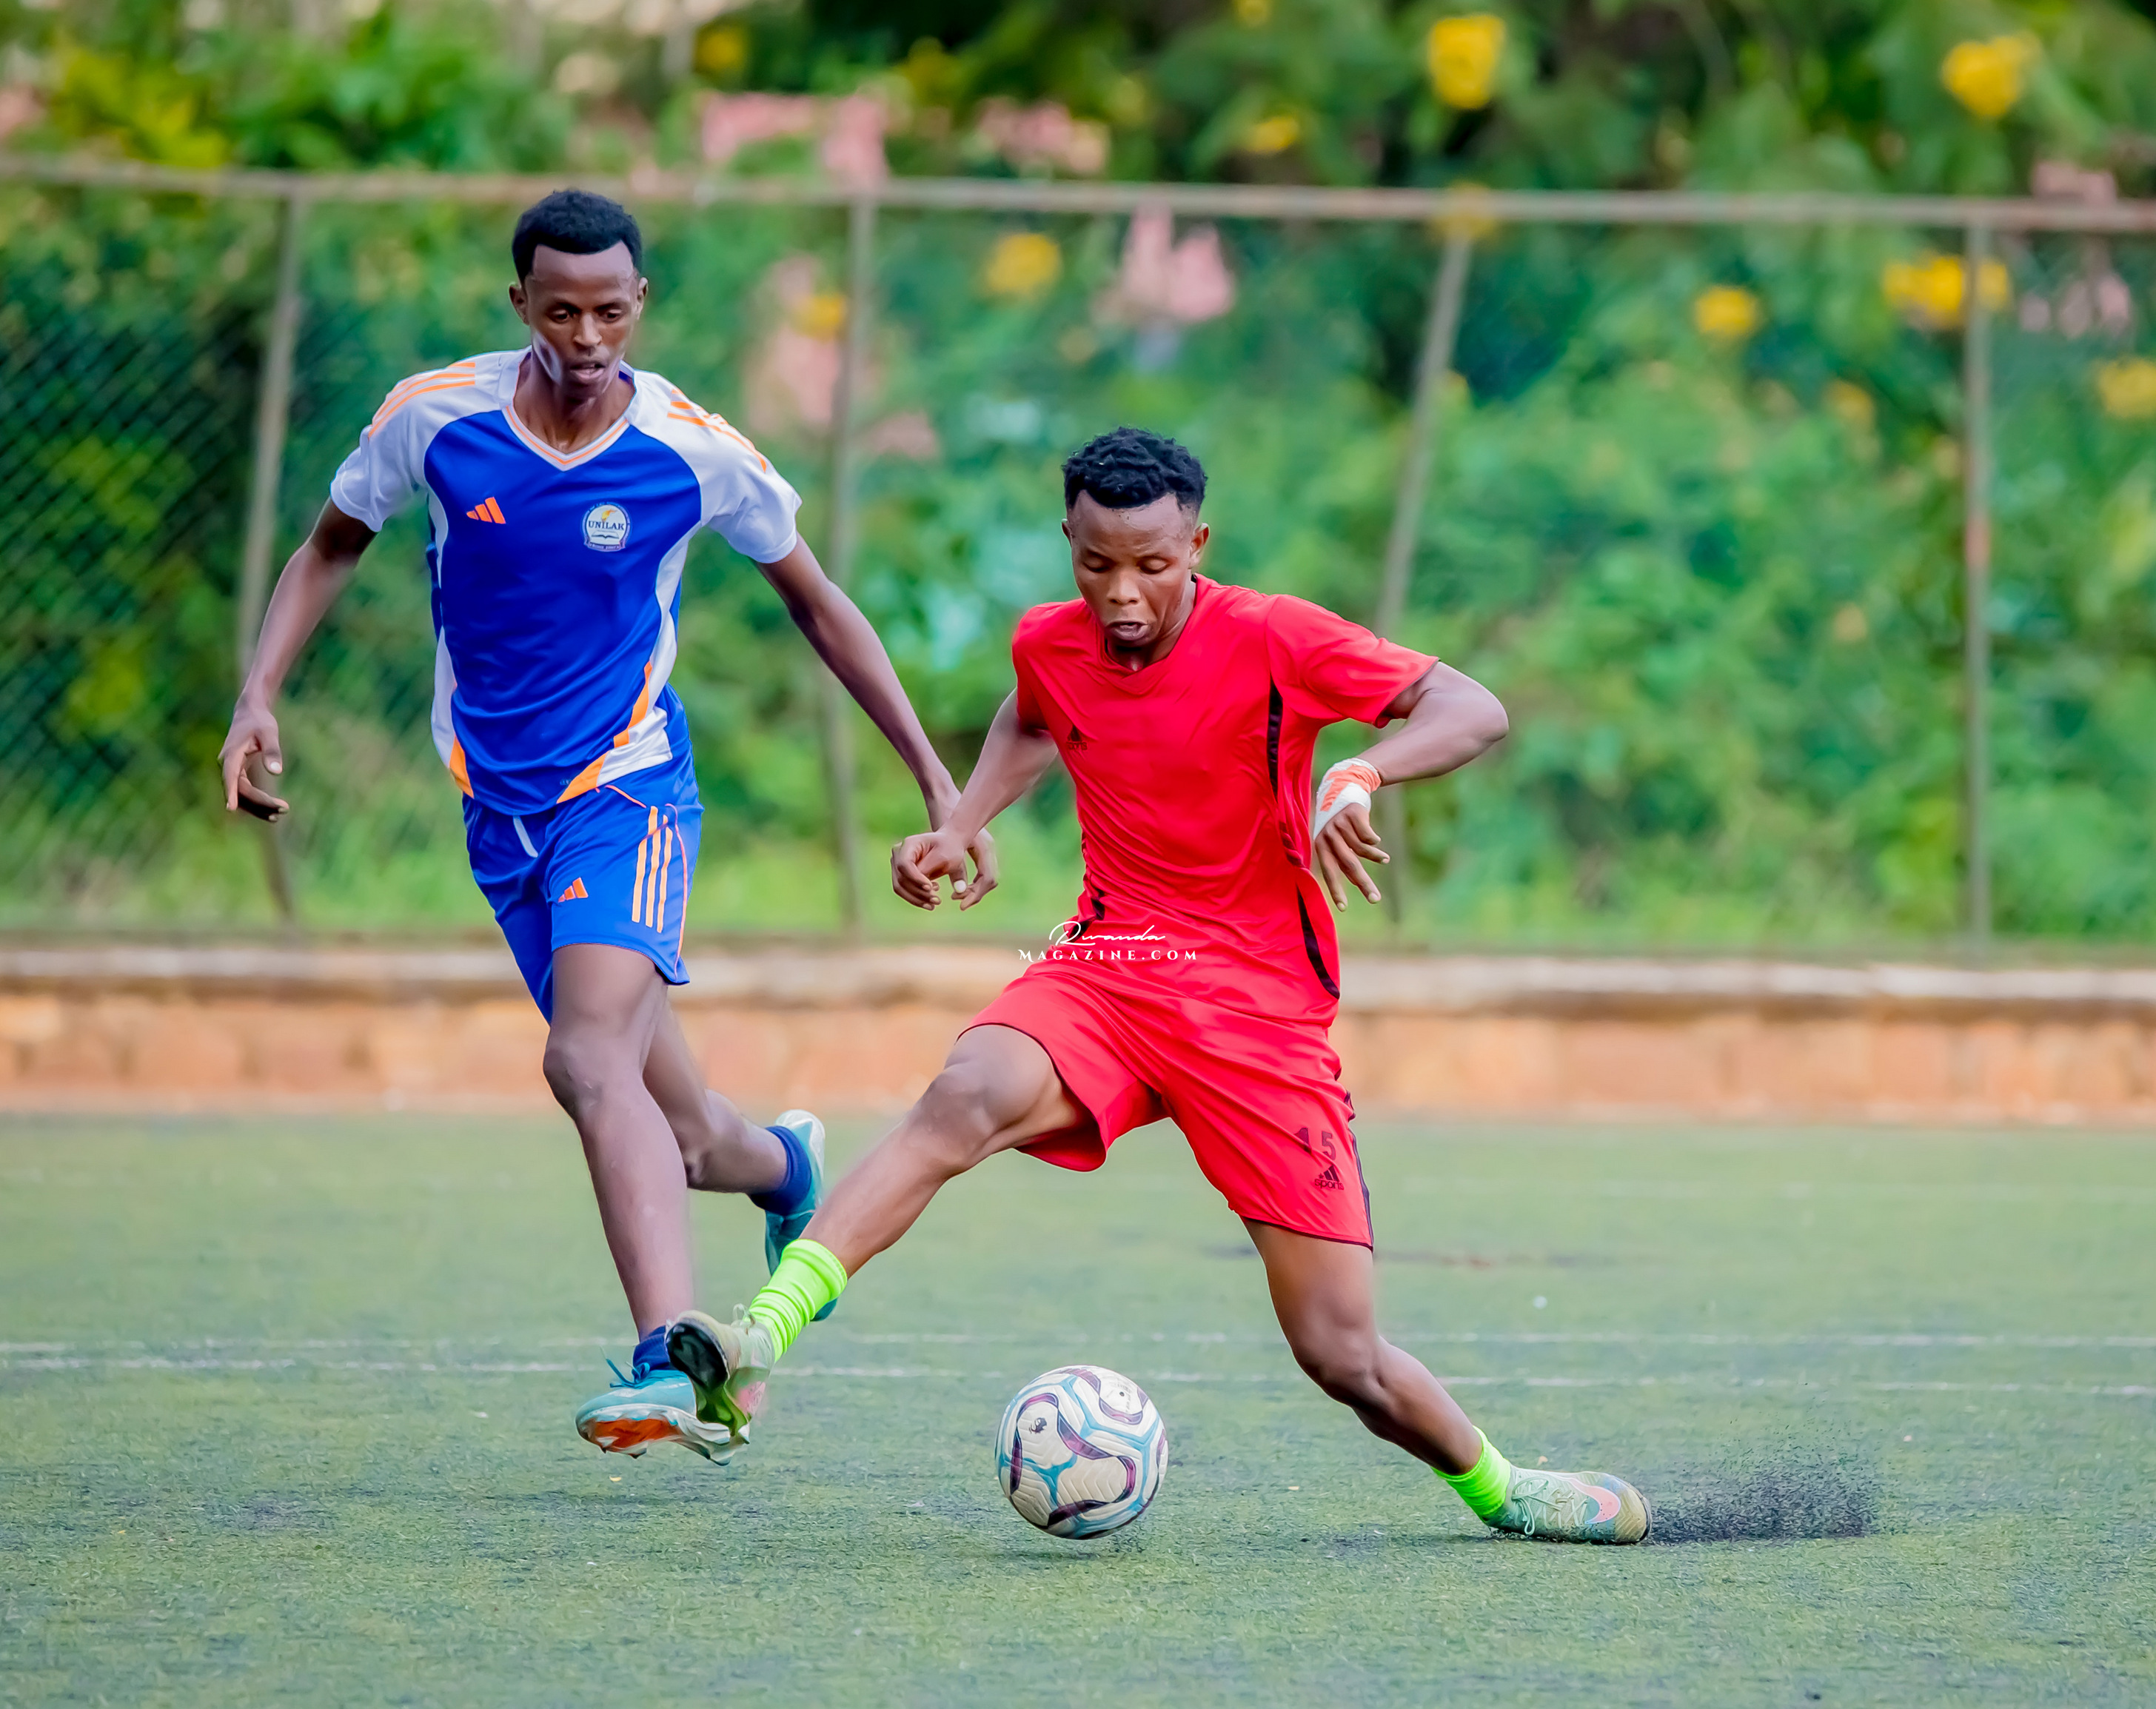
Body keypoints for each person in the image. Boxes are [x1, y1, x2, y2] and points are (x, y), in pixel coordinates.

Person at [661, 427, 1650, 1542]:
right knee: (964, 1095)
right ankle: (760, 1338)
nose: (1122, 594)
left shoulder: (1276, 636)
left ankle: (1504, 1488)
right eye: (1096, 564)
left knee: (1343, 1355)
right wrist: (963, 822)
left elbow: (1473, 707)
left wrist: (1360, 771)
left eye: (1152, 565)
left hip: (1256, 1011)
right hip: (1112, 967)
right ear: (1069, 545)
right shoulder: (1051, 641)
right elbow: (1033, 715)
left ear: (1198, 546)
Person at [217, 189, 974, 1464]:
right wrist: (258, 694)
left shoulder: (693, 450)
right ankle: (784, 1170)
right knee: (683, 1137)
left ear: (641, 305)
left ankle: (670, 1357)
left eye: (610, 312)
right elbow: (331, 545)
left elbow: (818, 602)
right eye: (560, 311)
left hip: (629, 790)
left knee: (583, 1060)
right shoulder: (435, 420)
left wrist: (936, 781)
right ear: (521, 302)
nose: (585, 336)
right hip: (498, 808)